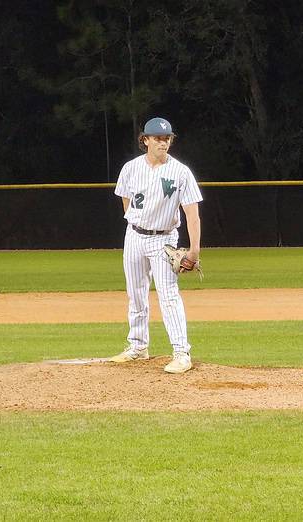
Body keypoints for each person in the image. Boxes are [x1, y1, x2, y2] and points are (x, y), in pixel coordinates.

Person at [110, 117, 203, 374]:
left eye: (167, 138)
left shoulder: (181, 172)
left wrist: (194, 249)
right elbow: (125, 201)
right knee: (136, 293)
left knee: (168, 295)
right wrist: (136, 224)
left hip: (164, 238)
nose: (164, 142)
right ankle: (138, 346)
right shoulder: (130, 168)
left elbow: (192, 213)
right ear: (145, 140)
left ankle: (182, 352)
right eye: (158, 138)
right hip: (134, 237)